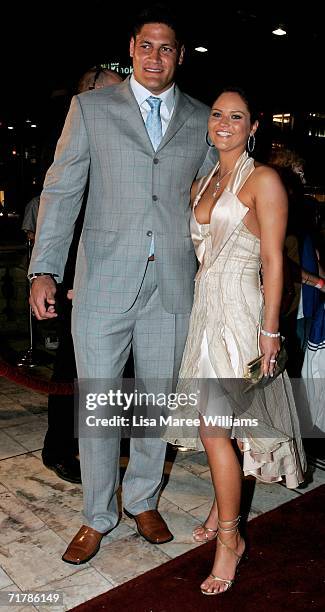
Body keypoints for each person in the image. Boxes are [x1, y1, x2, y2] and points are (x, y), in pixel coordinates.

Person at [28, 4, 217, 564]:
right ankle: (96, 515)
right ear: (131, 49)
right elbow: (62, 191)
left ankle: (142, 500)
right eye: (146, 46)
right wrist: (45, 268)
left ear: (179, 56)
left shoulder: (201, 117)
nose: (156, 56)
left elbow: (212, 195)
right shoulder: (91, 109)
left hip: (173, 285)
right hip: (104, 282)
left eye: (167, 48)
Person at [164, 87, 306, 595]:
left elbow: (273, 262)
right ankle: (221, 512)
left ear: (253, 125)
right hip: (207, 314)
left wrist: (270, 331)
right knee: (222, 429)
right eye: (218, 115)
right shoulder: (205, 181)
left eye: (236, 116)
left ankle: (231, 541)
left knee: (214, 430)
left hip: (242, 316)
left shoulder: (263, 179)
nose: (224, 123)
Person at [23, 67, 124, 484]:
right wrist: (52, 278)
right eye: (119, 96)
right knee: (72, 367)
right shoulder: (77, 137)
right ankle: (59, 448)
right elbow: (63, 213)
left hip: (116, 276)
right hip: (76, 282)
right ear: (92, 94)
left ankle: (111, 445)